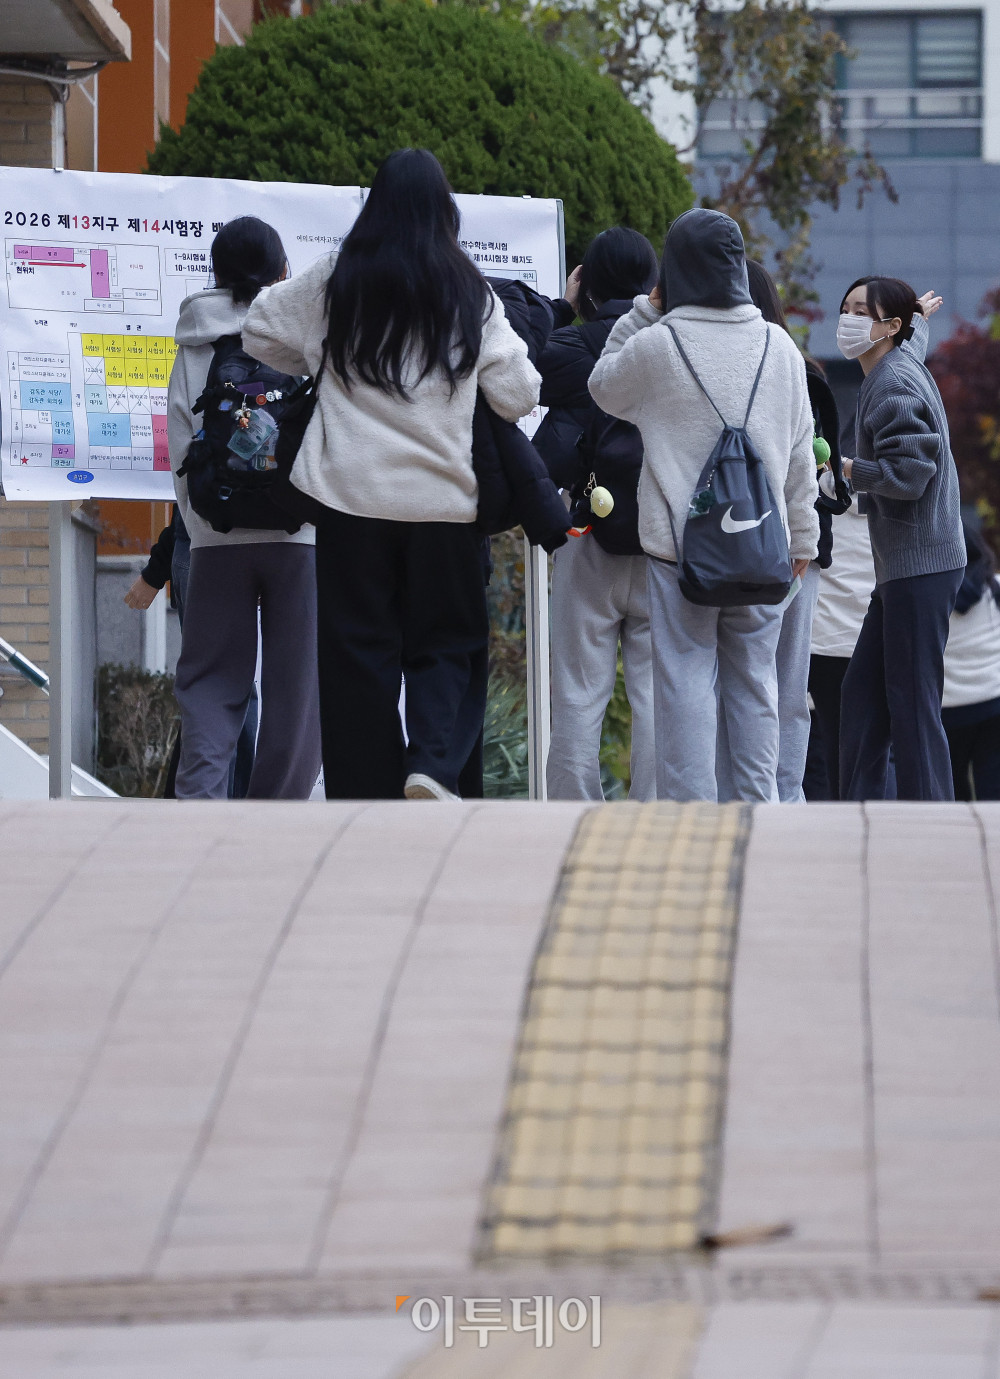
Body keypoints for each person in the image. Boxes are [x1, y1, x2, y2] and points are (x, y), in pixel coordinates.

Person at [243, 149, 540, 801]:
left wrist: (318, 355)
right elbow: (519, 393)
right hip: (445, 505)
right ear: (446, 211)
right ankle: (430, 766)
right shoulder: (469, 289)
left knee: (357, 656)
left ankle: (366, 794)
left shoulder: (335, 280)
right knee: (447, 645)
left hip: (350, 500)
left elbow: (258, 331)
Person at [589, 208, 819, 803]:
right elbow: (800, 458)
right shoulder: (780, 347)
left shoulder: (659, 345)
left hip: (678, 554)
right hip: (766, 550)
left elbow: (602, 386)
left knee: (685, 683)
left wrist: (645, 308)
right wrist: (804, 539)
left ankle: (692, 818)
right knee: (756, 686)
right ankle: (757, 813)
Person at [168, 215, 322, 800]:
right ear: (284, 272)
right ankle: (274, 822)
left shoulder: (194, 341)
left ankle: (200, 809)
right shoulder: (302, 335)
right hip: (299, 536)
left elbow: (183, 442)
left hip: (215, 539)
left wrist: (204, 525)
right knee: (297, 693)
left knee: (210, 682)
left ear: (214, 272)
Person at [533, 226, 659, 801]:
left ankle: (572, 812)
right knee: (659, 692)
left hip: (586, 529)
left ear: (591, 281)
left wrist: (563, 306)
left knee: (579, 690)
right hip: (663, 537)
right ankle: (657, 812)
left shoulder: (574, 345)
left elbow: (524, 372)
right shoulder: (672, 343)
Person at [837, 275, 966, 801]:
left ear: (889, 326)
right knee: (864, 700)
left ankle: (932, 827)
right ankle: (860, 815)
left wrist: (847, 470)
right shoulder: (901, 358)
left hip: (920, 567)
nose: (848, 320)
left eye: (861, 312)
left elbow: (911, 475)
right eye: (845, 308)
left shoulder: (891, 382)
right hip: (909, 567)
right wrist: (918, 322)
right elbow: (915, 339)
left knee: (912, 707)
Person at [731, 259, 852, 803]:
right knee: (788, 684)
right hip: (804, 548)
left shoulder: (743, 366)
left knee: (744, 678)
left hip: (744, 541)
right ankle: (786, 796)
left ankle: (756, 793)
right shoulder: (805, 370)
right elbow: (820, 470)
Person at [942, 521, 1000, 801]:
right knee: (993, 788)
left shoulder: (934, 599)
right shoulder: (995, 589)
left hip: (949, 709)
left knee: (954, 791)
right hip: (994, 701)